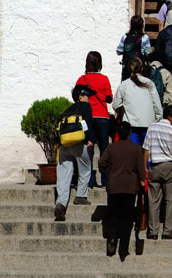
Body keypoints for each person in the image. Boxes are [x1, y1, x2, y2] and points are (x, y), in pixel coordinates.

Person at [98, 120, 146, 261]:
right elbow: (140, 169)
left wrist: (107, 171)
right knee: (126, 218)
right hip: (130, 188)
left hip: (113, 187)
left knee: (113, 215)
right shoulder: (136, 148)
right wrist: (142, 181)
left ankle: (112, 238)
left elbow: (101, 163)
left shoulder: (112, 148)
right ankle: (123, 250)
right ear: (130, 133)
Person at [54, 84, 96, 222]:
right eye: (86, 96)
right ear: (80, 97)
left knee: (64, 175)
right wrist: (90, 139)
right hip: (79, 143)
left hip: (64, 144)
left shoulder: (67, 109)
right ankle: (81, 196)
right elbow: (87, 122)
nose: (88, 98)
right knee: (85, 169)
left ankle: (60, 203)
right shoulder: (85, 107)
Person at [143, 104, 172, 241]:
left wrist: (145, 168)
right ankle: (167, 231)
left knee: (153, 199)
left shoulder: (152, 128)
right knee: (170, 199)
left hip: (154, 166)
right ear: (170, 116)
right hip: (169, 166)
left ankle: (153, 230)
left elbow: (146, 150)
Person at [76, 50, 113, 188]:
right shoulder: (104, 79)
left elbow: (76, 97)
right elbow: (109, 98)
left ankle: (89, 181)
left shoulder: (82, 79)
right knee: (104, 150)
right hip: (103, 117)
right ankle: (105, 181)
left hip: (88, 118)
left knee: (89, 150)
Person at [112, 58, 162, 146]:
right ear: (142, 68)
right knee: (148, 152)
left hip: (131, 124)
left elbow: (116, 104)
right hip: (147, 122)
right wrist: (157, 118)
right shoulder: (149, 83)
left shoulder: (124, 84)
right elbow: (156, 104)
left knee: (133, 153)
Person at [116, 16, 152, 81]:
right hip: (140, 67)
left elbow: (118, 51)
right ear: (142, 25)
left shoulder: (125, 37)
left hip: (127, 68)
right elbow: (148, 53)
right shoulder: (145, 37)